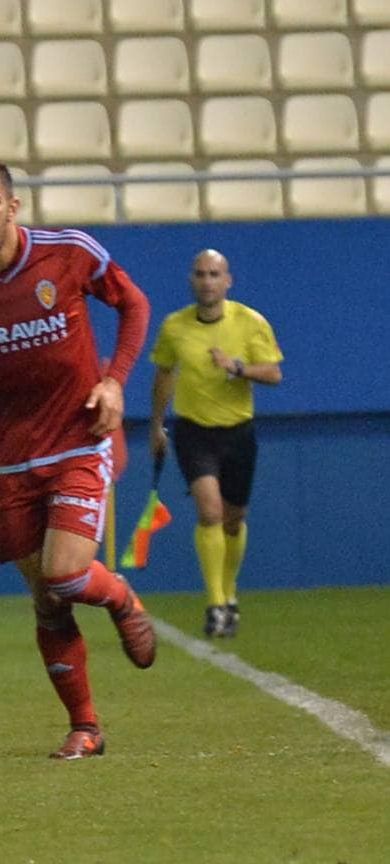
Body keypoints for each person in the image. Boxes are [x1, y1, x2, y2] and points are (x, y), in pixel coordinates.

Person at [0, 156, 157, 760]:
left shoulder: (68, 252)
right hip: (8, 460)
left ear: (13, 206)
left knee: (68, 574)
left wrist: (116, 381)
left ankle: (122, 598)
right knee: (48, 600)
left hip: (80, 438)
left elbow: (134, 306)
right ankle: (86, 727)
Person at [148, 249, 283, 639]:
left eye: (214, 274)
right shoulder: (174, 327)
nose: (207, 281)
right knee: (209, 512)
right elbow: (164, 375)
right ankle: (217, 604)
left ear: (228, 281)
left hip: (238, 432)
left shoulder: (250, 322)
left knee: (233, 519)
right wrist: (157, 426)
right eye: (200, 274)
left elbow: (274, 373)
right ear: (191, 280)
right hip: (194, 431)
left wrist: (237, 367)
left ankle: (230, 591)